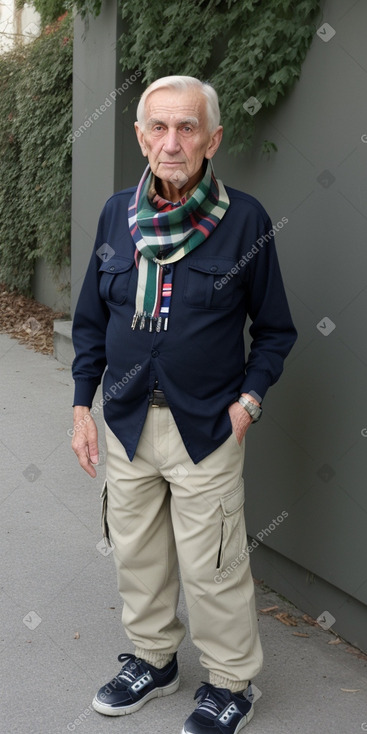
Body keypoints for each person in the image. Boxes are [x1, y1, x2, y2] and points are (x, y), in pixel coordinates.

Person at [71, 75, 297, 734]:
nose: (172, 142)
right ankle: (154, 659)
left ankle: (230, 683)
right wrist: (82, 406)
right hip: (128, 418)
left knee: (214, 565)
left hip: (206, 425)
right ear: (141, 138)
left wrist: (247, 404)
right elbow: (90, 319)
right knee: (137, 553)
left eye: (187, 127)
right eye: (159, 128)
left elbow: (275, 329)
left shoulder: (246, 220)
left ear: (211, 139)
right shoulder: (117, 214)